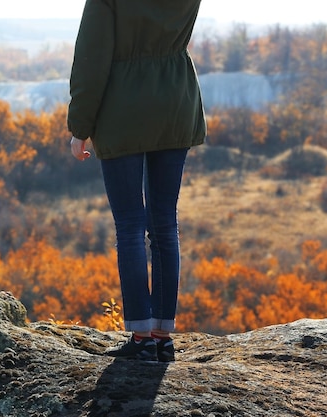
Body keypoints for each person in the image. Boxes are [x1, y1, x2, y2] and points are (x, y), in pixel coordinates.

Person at [67, 0, 207, 362]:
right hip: (176, 102)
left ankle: (142, 338)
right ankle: (163, 335)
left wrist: (80, 127)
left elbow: (91, 58)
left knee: (130, 225)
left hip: (122, 108)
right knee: (164, 222)